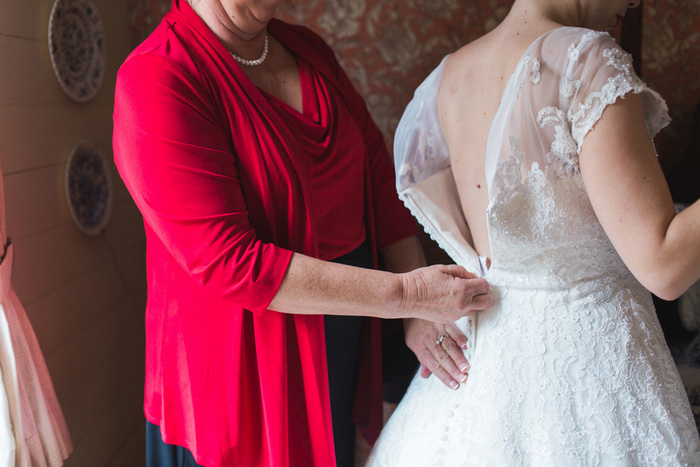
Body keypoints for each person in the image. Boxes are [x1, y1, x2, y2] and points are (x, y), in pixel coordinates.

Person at [112, 0, 492, 466]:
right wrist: (407, 295)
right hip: (242, 373)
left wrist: (416, 311)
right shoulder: (157, 78)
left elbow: (375, 170)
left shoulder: (306, 48)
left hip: (341, 335)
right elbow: (233, 263)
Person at [368, 0, 700, 464]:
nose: (635, 2)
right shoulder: (586, 60)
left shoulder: (449, 76)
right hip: (591, 388)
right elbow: (663, 264)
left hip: (475, 386)